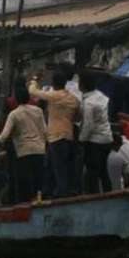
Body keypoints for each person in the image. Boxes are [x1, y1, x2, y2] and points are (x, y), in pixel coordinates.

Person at [28, 69, 80, 198]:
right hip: (67, 135)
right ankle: (49, 193)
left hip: (56, 137)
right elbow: (78, 117)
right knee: (53, 167)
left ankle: (61, 196)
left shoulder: (54, 96)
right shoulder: (73, 99)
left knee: (58, 169)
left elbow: (33, 91)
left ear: (54, 83)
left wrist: (34, 79)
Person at [0, 84, 47, 203]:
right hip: (39, 150)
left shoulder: (14, 114)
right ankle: (38, 203)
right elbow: (45, 131)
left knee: (24, 184)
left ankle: (24, 206)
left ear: (17, 99)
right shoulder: (38, 111)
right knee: (38, 181)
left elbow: (4, 135)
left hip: (23, 152)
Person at [79, 69, 113, 194]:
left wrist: (81, 140)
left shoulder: (89, 103)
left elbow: (88, 126)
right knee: (103, 171)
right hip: (106, 139)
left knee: (92, 173)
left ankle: (92, 198)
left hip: (95, 142)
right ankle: (109, 194)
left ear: (82, 84)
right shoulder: (100, 96)